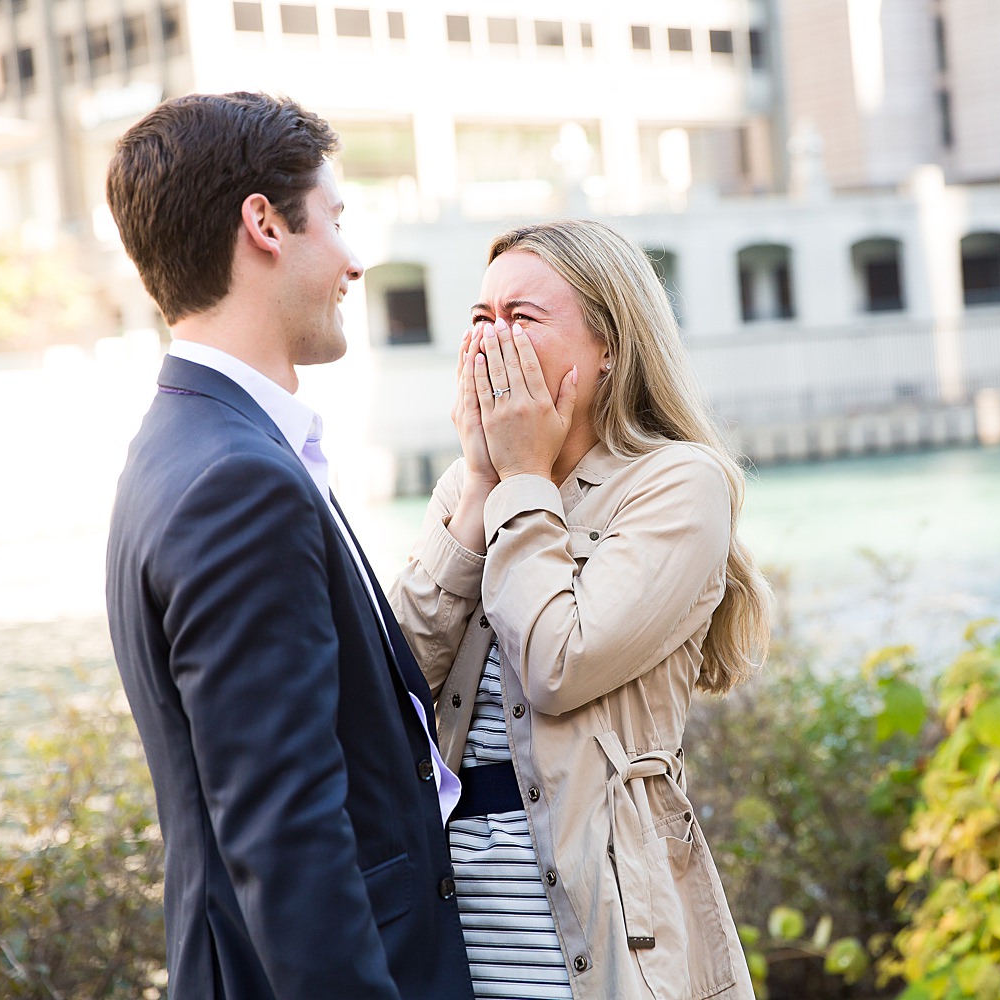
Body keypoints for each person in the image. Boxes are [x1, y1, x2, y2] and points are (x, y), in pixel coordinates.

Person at [103, 92, 472, 1000]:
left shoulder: (179, 444)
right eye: (336, 220)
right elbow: (287, 832)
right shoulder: (240, 480)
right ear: (264, 224)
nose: (355, 261)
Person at [389, 219, 770, 999]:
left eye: (523, 319)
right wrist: (477, 491)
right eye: (480, 320)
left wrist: (522, 477)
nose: (493, 343)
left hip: (606, 939)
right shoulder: (471, 494)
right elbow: (390, 689)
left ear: (609, 349)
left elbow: (559, 665)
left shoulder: (676, 484)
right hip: (459, 936)